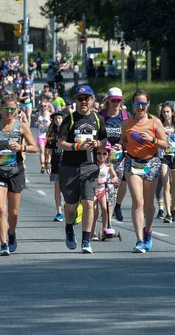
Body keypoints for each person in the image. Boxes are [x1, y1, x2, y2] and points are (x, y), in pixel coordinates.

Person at [0, 94, 38, 256]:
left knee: (14, 212)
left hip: (16, 170)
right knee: (0, 208)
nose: (9, 112)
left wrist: (21, 148)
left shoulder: (22, 126)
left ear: (17, 109)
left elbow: (34, 147)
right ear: (0, 109)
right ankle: (3, 243)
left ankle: (11, 233)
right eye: (6, 109)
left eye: (13, 109)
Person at [57, 85, 107, 254]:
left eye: (87, 98)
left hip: (90, 166)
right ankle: (69, 227)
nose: (84, 101)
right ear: (76, 100)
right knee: (71, 207)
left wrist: (97, 144)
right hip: (69, 167)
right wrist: (76, 146)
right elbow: (60, 143)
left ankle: (86, 240)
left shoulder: (98, 119)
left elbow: (103, 140)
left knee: (88, 203)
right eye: (80, 98)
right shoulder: (69, 119)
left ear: (92, 100)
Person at [119, 89, 167, 253]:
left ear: (148, 104)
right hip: (132, 162)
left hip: (151, 162)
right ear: (132, 104)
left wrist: (152, 139)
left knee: (148, 204)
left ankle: (148, 230)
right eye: (137, 104)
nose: (140, 107)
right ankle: (139, 240)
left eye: (143, 104)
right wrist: (119, 146)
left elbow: (165, 144)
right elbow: (123, 142)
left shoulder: (155, 122)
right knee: (137, 201)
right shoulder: (126, 123)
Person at [101, 87, 130, 222]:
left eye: (118, 100)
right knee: (106, 183)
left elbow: (130, 134)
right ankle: (106, 209)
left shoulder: (125, 116)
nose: (116, 103)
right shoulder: (102, 116)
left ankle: (117, 206)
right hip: (104, 155)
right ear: (108, 100)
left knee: (120, 184)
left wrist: (123, 144)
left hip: (121, 156)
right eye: (113, 100)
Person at [91, 142, 119, 237]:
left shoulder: (108, 166)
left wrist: (113, 180)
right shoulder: (92, 165)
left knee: (105, 209)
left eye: (104, 154)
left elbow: (115, 176)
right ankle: (92, 232)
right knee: (94, 212)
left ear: (108, 155)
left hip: (103, 190)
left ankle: (105, 229)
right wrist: (95, 180)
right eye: (99, 153)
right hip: (93, 191)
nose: (101, 156)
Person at [45, 112, 65, 222]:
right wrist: (47, 164)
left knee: (67, 187)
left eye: (60, 118)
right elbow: (49, 151)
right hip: (56, 164)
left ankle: (70, 207)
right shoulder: (52, 134)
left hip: (67, 163)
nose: (58, 120)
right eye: (56, 119)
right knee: (57, 188)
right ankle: (59, 212)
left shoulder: (67, 132)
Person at [36, 103, 52, 173]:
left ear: (47, 107)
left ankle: (47, 164)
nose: (43, 107)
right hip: (40, 136)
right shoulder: (38, 114)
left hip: (47, 136)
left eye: (45, 106)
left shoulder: (49, 114)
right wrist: (36, 123)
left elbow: (53, 123)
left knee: (47, 152)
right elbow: (36, 122)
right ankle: (42, 166)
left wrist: (49, 125)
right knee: (42, 151)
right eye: (41, 106)